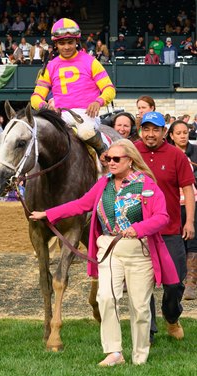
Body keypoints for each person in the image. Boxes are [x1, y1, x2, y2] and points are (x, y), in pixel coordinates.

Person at [30, 139, 179, 366]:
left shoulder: (146, 185)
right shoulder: (104, 185)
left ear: (130, 161)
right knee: (106, 298)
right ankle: (114, 352)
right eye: (108, 158)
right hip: (109, 249)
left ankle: (140, 355)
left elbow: (162, 217)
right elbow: (81, 204)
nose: (110, 162)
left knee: (139, 307)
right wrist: (49, 214)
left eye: (116, 159)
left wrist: (138, 228)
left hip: (139, 253)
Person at [135, 111, 195, 342]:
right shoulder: (132, 151)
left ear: (164, 132)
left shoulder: (176, 156)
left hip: (170, 230)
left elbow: (188, 189)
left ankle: (171, 316)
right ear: (141, 130)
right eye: (146, 129)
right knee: (142, 284)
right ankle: (147, 330)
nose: (150, 134)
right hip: (139, 232)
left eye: (156, 129)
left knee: (173, 283)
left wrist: (189, 221)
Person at [30, 18, 116, 157]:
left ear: (77, 42)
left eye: (70, 42)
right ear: (56, 44)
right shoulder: (50, 66)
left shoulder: (91, 62)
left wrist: (98, 101)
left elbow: (109, 88)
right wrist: (44, 106)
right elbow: (36, 96)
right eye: (62, 43)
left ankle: (105, 155)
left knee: (85, 132)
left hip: (86, 115)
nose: (66, 47)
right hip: (59, 116)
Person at [167, 120, 197, 300]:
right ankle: (178, 277)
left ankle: (192, 282)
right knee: (176, 238)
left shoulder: (195, 152)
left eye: (185, 132)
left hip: (193, 198)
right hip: (174, 201)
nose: (182, 136)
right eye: (178, 133)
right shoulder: (168, 153)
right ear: (171, 136)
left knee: (193, 238)